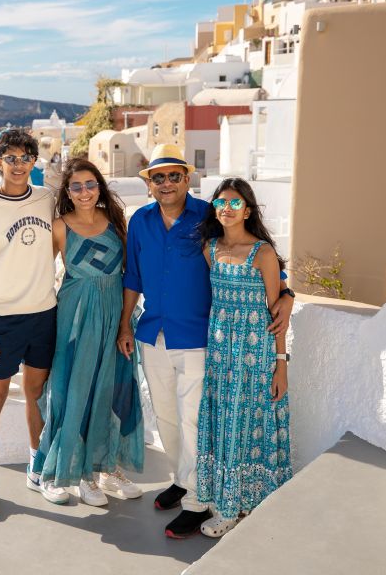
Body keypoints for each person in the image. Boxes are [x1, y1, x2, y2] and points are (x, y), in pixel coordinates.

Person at [117, 145, 294, 539]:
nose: (166, 183)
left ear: (187, 179)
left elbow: (255, 254)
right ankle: (183, 479)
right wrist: (126, 326)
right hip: (152, 333)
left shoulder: (208, 216)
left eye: (174, 175)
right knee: (165, 415)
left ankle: (197, 500)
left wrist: (287, 294)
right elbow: (132, 278)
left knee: (195, 420)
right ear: (149, 183)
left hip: (199, 338)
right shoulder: (140, 221)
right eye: (158, 177)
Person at [0, 128, 67, 520]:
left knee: (37, 395)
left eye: (26, 158)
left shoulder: (45, 199)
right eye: (11, 158)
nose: (19, 165)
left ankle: (38, 468)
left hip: (44, 314)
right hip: (1, 322)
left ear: (33, 163)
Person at [33, 158, 145, 506]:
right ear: (67, 192)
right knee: (71, 393)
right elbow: (37, 275)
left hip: (114, 314)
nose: (84, 192)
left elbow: (130, 275)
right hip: (75, 317)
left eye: (90, 184)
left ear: (100, 187)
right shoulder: (59, 227)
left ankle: (107, 467)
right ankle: (71, 473)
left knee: (113, 389)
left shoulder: (115, 222)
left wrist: (126, 322)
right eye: (76, 186)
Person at [195, 178, 293, 537]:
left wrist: (281, 363)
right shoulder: (210, 249)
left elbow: (276, 313)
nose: (227, 209)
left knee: (249, 424)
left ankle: (244, 505)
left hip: (255, 354)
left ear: (248, 210)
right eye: (221, 203)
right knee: (226, 425)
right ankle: (229, 503)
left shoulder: (263, 253)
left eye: (235, 204)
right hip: (222, 354)